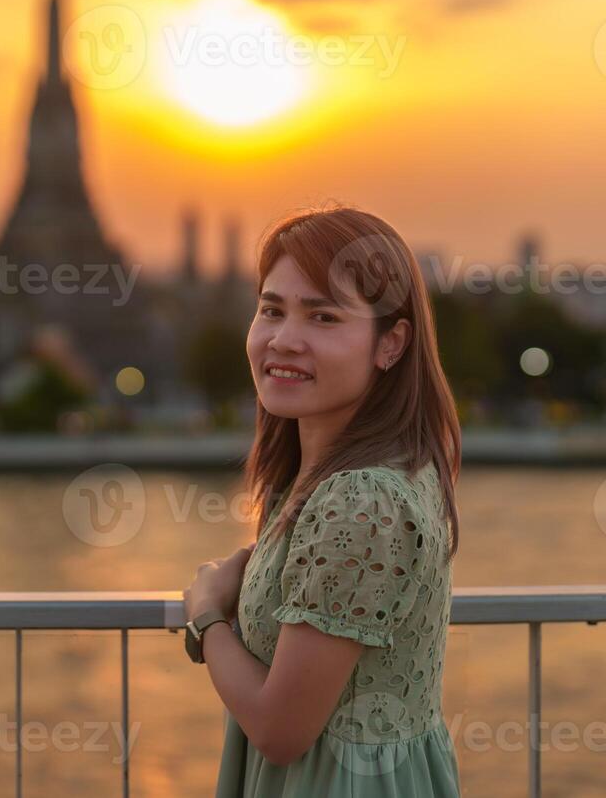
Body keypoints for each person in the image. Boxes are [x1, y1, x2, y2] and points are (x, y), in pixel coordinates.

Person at [182, 203, 463, 796]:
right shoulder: (349, 476)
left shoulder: (360, 498)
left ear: (391, 344)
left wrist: (207, 613)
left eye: (324, 317)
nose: (284, 340)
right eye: (271, 310)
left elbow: (281, 730)